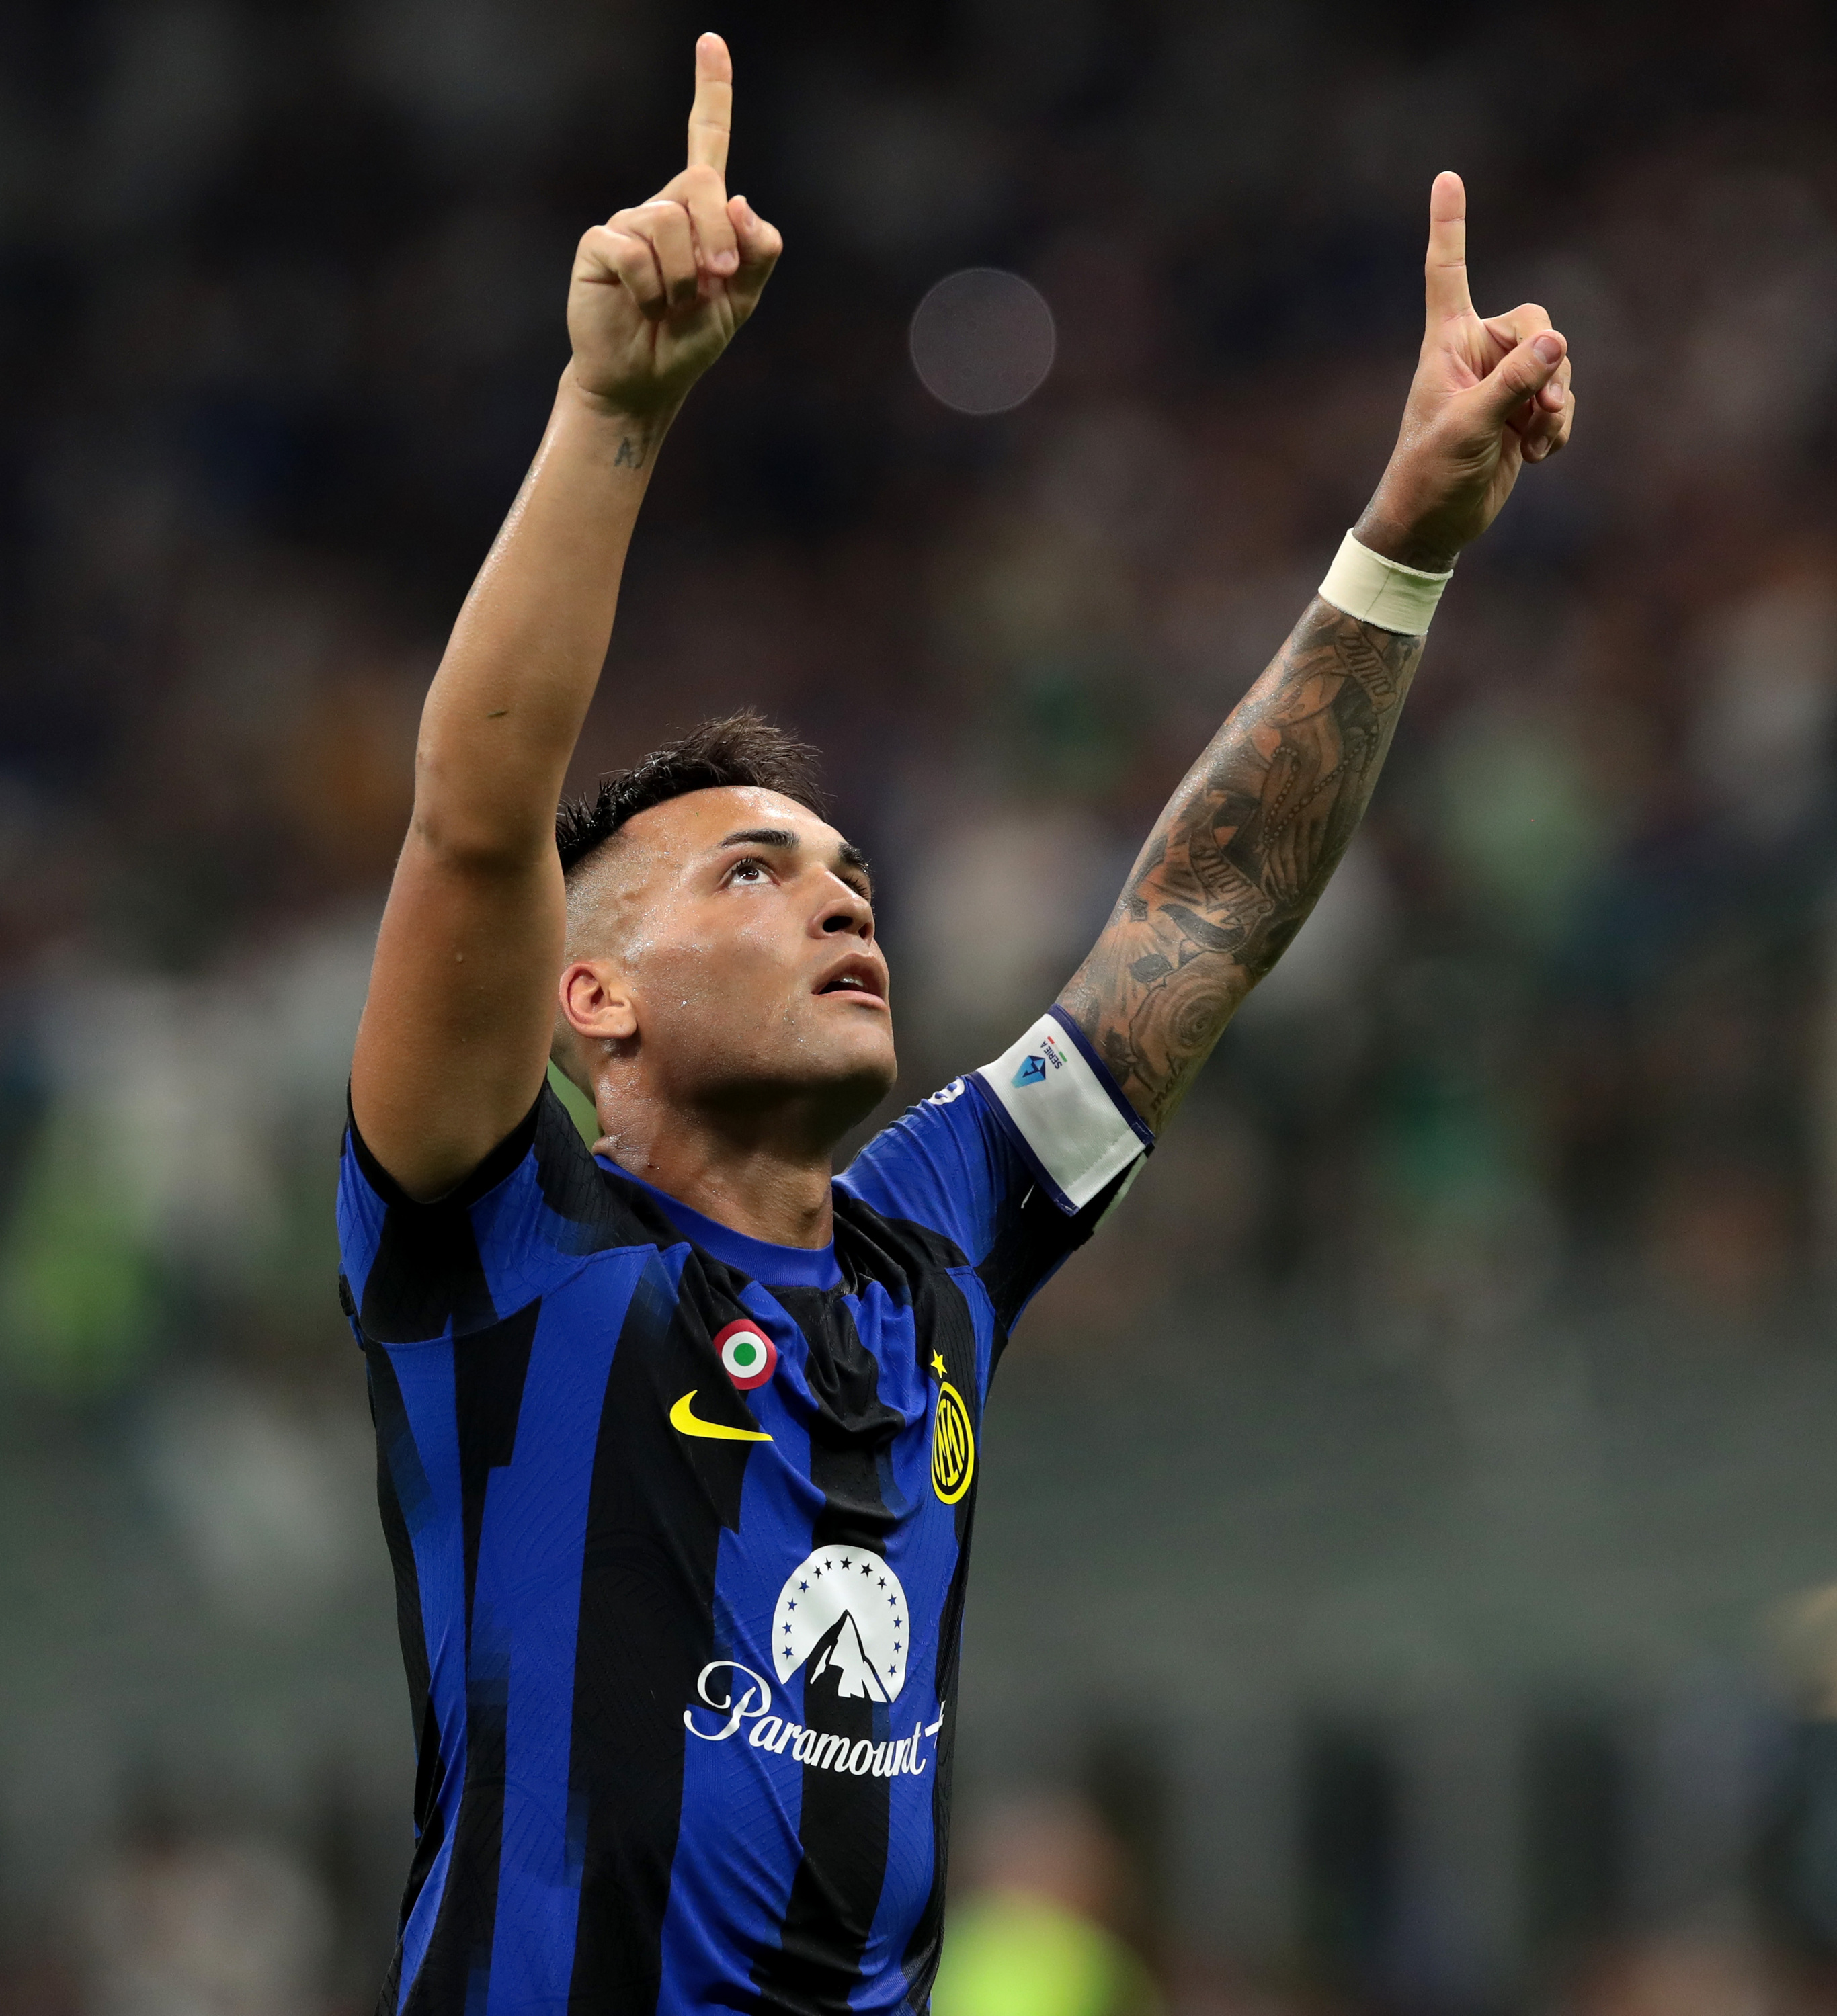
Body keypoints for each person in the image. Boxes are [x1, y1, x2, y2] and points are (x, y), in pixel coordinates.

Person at [337, 31, 1574, 2015]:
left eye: (847, 869)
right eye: (752, 874)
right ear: (591, 997)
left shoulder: (937, 1249)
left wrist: (1406, 545)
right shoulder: (502, 1258)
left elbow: (1202, 911)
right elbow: (478, 819)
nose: (841, 896)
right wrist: (612, 413)